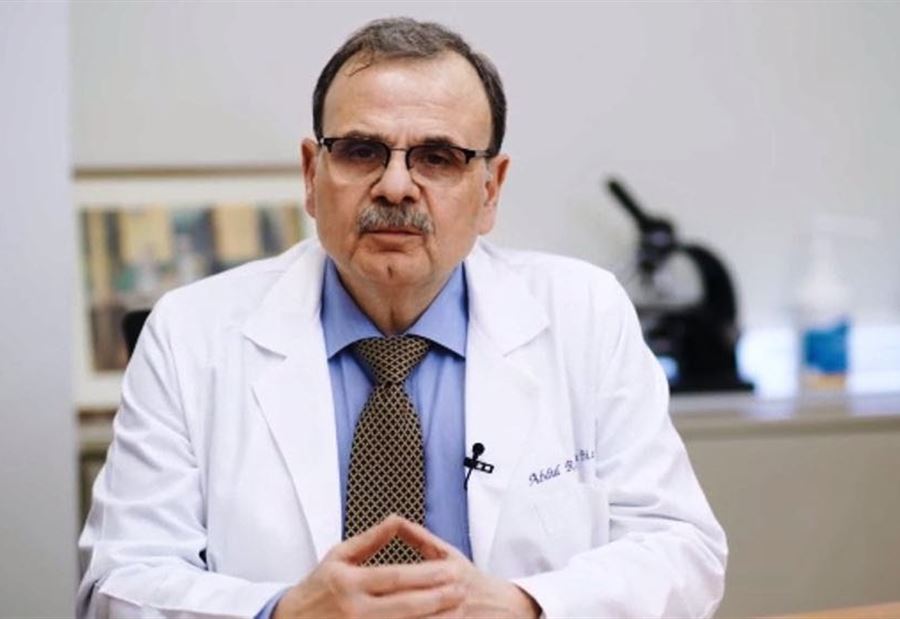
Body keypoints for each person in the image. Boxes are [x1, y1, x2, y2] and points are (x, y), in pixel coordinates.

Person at [77, 17, 727, 619]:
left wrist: (526, 605)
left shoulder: (585, 314)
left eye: (437, 157)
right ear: (311, 174)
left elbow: (682, 549)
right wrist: (283, 612)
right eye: (361, 151)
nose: (394, 186)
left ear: (490, 190)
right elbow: (118, 582)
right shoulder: (189, 334)